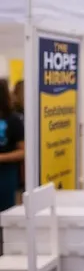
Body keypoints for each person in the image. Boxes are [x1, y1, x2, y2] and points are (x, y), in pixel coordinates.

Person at [0, 79, 24, 212]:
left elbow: (23, 151)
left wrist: (2, 158)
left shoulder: (13, 119)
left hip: (6, 175)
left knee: (5, 215)